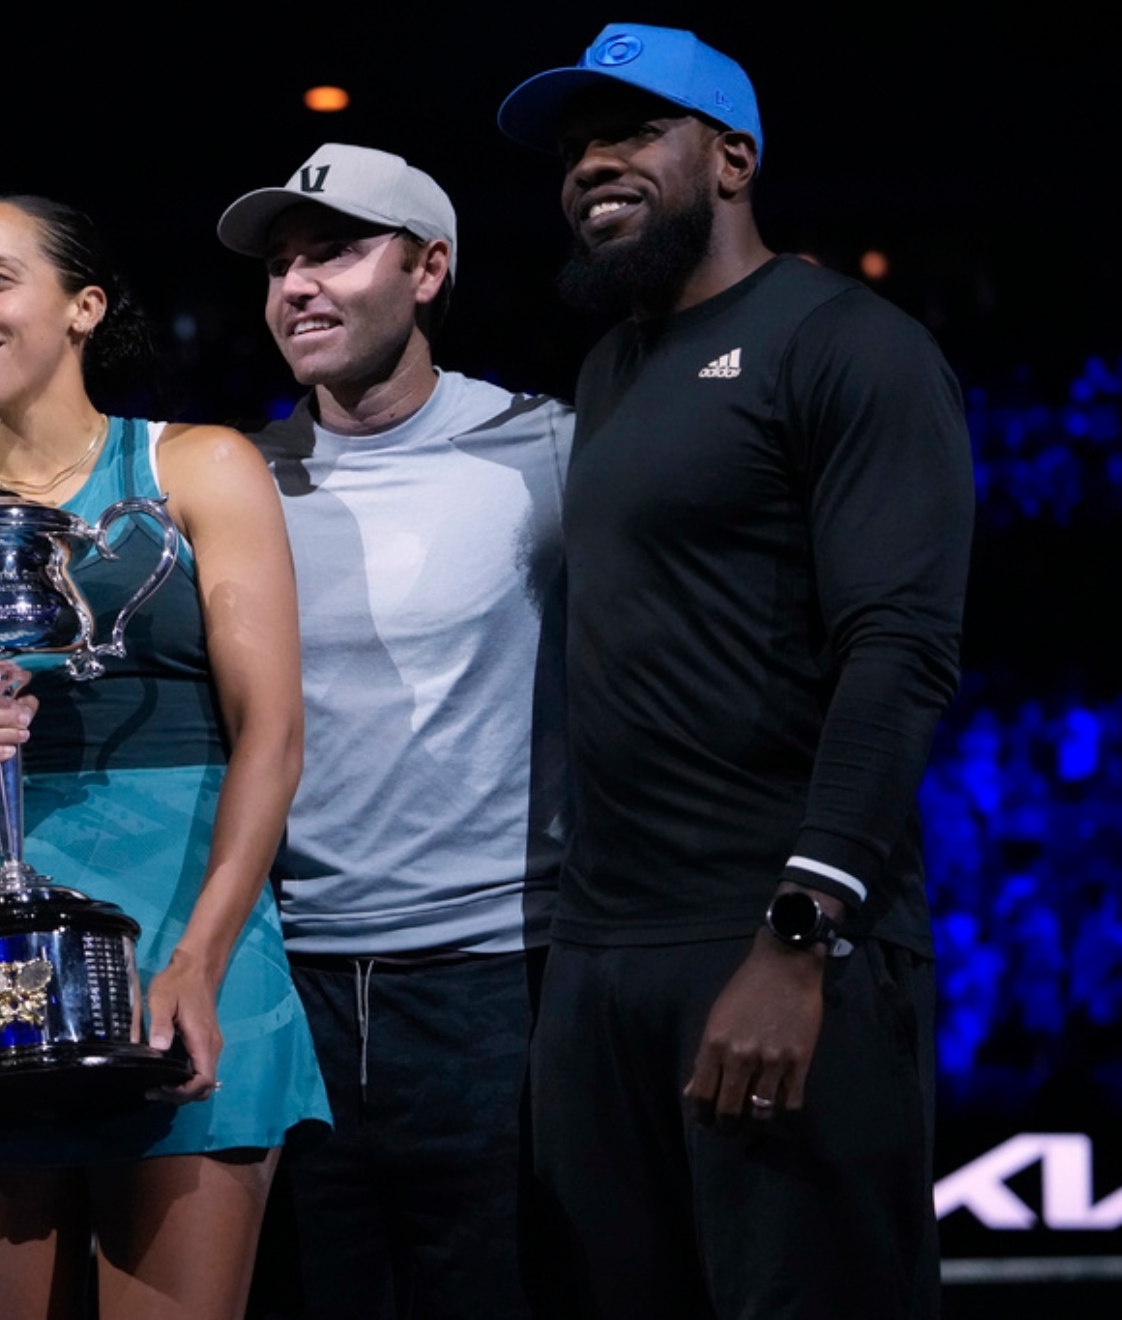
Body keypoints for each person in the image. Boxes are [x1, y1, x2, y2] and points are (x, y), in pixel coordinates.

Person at [496, 23, 972, 1318]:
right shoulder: (609, 369)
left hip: (777, 943)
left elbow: (902, 650)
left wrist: (799, 939)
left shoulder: (847, 344)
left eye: (632, 130)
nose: (594, 161)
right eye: (576, 143)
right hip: (603, 959)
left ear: (734, 156)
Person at [0, 195, 329, 1320]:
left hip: (183, 933)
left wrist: (202, 960)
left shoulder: (197, 468)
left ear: (84, 308)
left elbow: (275, 734)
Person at [215, 146, 574, 1319]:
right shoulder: (229, 480)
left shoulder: (550, 451)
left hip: (495, 985)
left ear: (430, 271)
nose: (297, 288)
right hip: (288, 988)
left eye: (335, 252)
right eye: (279, 265)